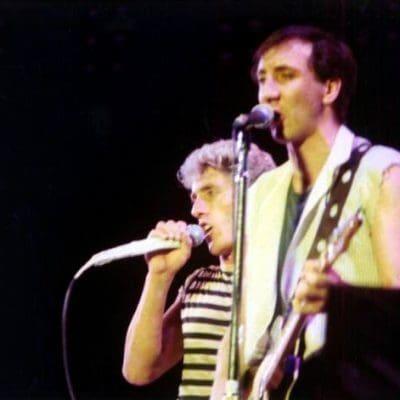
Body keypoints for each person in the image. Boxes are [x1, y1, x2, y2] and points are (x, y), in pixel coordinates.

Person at [211, 25, 400, 399]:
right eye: (263, 79)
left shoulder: (381, 172)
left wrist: (341, 299)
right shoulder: (261, 193)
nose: (268, 93)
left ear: (329, 88)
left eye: (285, 76)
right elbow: (241, 325)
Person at [122, 139, 275, 399]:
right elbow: (138, 371)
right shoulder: (199, 284)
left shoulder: (283, 280)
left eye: (210, 193)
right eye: (194, 198)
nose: (195, 210)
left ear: (253, 195)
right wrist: (159, 276)